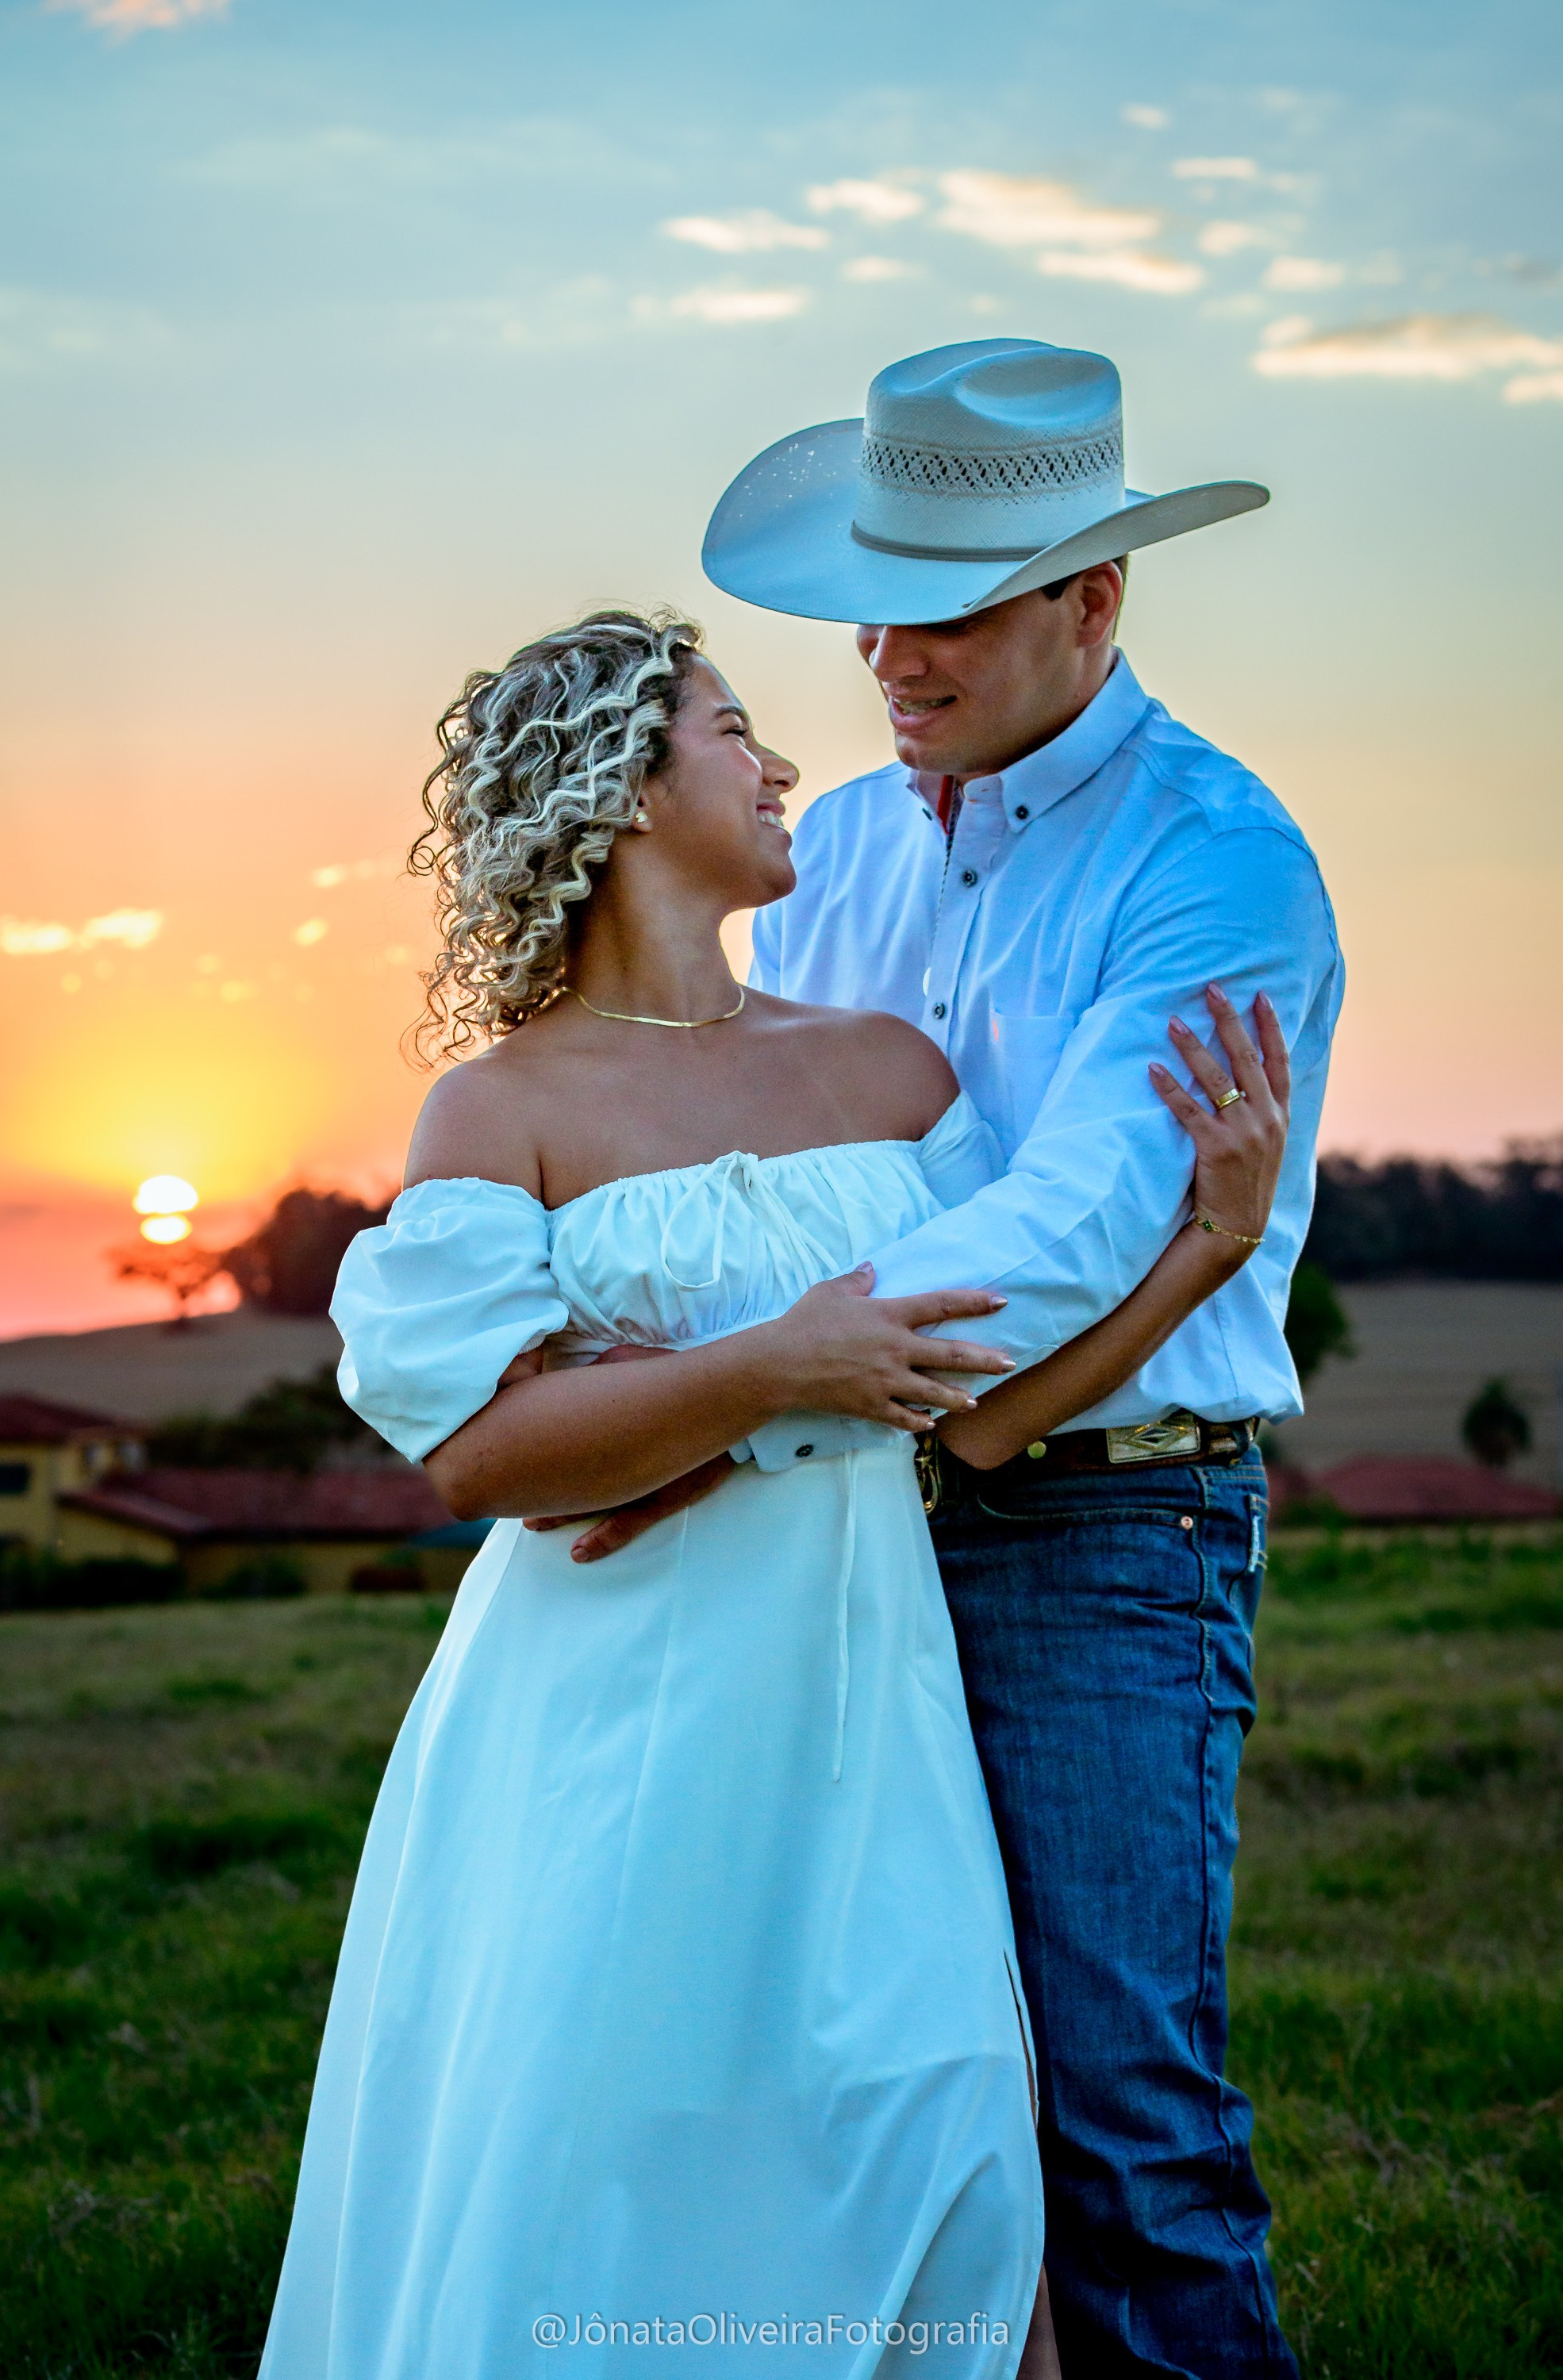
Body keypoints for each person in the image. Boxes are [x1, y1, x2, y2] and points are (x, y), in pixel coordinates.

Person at [258, 607, 1290, 2380]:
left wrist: (1206, 1248)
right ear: (624, 791)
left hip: (867, 1698)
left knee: (942, 2146)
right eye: (733, 731)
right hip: (601, 1709)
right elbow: (480, 1456)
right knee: (609, 2161)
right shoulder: (498, 1108)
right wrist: (770, 1374)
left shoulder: (887, 1070)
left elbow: (969, 1423)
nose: (783, 759)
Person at [689, 338, 1345, 2377]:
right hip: (837, 1520)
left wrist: (737, 1391)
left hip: (1107, 1530)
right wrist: (733, 1374)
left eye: (950, 606)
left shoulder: (1215, 862)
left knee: (1117, 2128)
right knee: (873, 2095)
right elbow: (742, 1145)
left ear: (1096, 599)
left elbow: (1073, 1235)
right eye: (875, 595)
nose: (888, 651)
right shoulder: (850, 856)